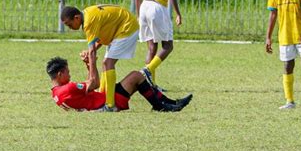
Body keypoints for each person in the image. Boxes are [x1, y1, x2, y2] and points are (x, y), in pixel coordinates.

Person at [46, 48, 192, 112]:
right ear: (60, 74)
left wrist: (88, 65)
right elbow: (94, 83)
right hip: (107, 102)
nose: (70, 76)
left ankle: (167, 103)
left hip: (101, 99)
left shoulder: (56, 94)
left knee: (135, 77)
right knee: (136, 76)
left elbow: (89, 87)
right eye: (68, 72)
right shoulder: (68, 88)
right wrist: (91, 61)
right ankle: (163, 105)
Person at [61, 4, 139, 111]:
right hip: (121, 26)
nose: (70, 28)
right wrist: (89, 53)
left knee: (107, 63)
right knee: (106, 64)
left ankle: (110, 105)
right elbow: (96, 43)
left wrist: (93, 77)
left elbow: (92, 51)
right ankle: (103, 98)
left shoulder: (89, 22)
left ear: (77, 18)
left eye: (70, 25)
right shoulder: (87, 15)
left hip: (127, 27)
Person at [135, 0, 182, 88]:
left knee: (151, 48)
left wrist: (138, 15)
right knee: (168, 46)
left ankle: (151, 85)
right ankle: (147, 70)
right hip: (156, 8)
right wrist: (178, 13)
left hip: (144, 7)